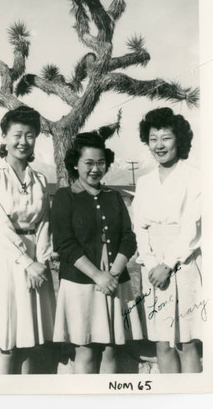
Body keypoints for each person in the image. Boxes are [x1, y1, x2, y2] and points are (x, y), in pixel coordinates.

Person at [51, 132, 142, 374]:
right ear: (75, 164)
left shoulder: (113, 197)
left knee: (111, 349)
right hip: (80, 285)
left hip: (115, 283)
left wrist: (112, 274)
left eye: (100, 163)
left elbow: (128, 238)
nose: (95, 169)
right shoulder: (64, 197)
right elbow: (64, 243)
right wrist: (98, 276)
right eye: (88, 163)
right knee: (86, 350)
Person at [0, 106, 56, 374]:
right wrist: (27, 262)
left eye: (30, 135)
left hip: (37, 262)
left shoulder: (40, 178)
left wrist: (40, 262)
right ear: (4, 137)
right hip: (6, 259)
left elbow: (44, 222)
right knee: (7, 342)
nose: (23, 142)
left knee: (30, 342)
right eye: (17, 135)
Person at [133, 107, 202, 373]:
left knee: (186, 342)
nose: (159, 145)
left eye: (166, 138)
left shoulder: (193, 176)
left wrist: (168, 264)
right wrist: (151, 264)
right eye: (153, 139)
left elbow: (192, 227)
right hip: (152, 267)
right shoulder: (145, 182)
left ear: (179, 140)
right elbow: (140, 228)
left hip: (183, 263)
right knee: (162, 343)